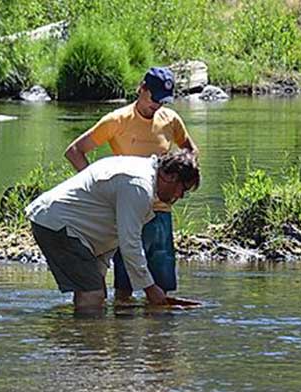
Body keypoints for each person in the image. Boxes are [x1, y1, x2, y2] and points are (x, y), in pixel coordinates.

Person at [64, 66, 199, 303]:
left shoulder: (171, 120)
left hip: (160, 213)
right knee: (125, 285)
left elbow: (190, 150)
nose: (156, 105)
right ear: (142, 89)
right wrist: (96, 188)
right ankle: (122, 331)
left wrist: (184, 177)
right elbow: (75, 151)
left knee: (161, 285)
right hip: (128, 210)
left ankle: (158, 335)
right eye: (153, 98)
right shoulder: (118, 120)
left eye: (162, 101)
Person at [25, 150, 200, 310]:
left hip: (60, 224)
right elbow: (129, 243)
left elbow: (111, 234)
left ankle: (79, 336)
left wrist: (99, 273)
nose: (181, 196)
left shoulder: (141, 172)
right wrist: (150, 288)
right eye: (182, 189)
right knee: (93, 294)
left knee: (95, 292)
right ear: (171, 177)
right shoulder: (139, 186)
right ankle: (82, 340)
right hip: (58, 225)